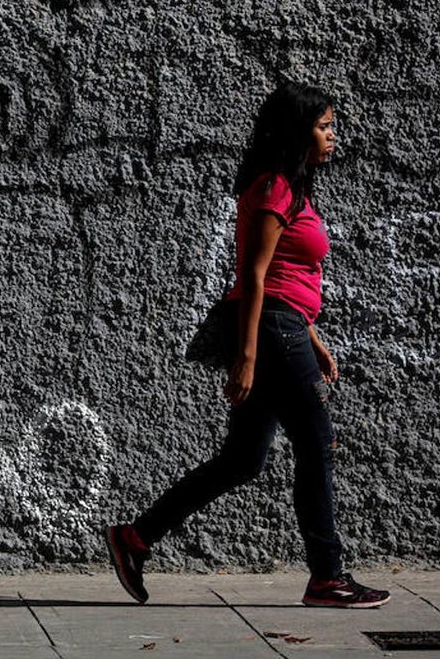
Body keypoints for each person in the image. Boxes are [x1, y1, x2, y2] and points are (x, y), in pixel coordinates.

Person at [106, 82, 391, 609]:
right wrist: (247, 357)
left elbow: (286, 276)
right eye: (324, 126)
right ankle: (327, 577)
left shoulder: (288, 186)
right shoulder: (274, 189)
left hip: (287, 329)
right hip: (271, 332)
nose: (333, 136)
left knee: (242, 460)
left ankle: (135, 538)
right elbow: (254, 277)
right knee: (316, 447)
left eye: (332, 126)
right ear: (296, 131)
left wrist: (314, 338)